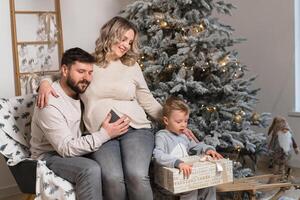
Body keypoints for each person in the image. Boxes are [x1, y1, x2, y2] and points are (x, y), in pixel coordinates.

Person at [37, 16, 164, 200]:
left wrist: (173, 122)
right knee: (112, 178)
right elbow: (62, 76)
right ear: (111, 34)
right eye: (123, 39)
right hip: (100, 134)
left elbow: (147, 100)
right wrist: (44, 83)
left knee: (136, 175)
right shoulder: (89, 64)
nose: (126, 45)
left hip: (135, 129)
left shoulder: (132, 66)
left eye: (130, 41)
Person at [30, 47, 130, 200]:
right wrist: (105, 134)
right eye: (81, 71)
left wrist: (44, 81)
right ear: (65, 70)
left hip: (75, 146)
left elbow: (51, 76)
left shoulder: (80, 90)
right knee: (90, 169)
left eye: (90, 73)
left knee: (113, 164)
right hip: (50, 155)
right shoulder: (49, 102)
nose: (87, 78)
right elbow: (66, 148)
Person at [153, 96, 223, 200]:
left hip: (187, 176)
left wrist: (208, 149)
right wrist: (178, 163)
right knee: (191, 189)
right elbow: (158, 155)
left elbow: (195, 147)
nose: (183, 125)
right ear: (166, 121)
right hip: (169, 180)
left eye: (185, 121)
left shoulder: (184, 136)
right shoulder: (162, 136)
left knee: (209, 185)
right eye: (179, 121)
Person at [268, 116, 299, 182]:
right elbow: (272, 143)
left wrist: (296, 148)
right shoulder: (276, 136)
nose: (285, 130)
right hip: (277, 154)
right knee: (276, 167)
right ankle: (273, 178)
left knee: (282, 167)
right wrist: (270, 149)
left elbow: (293, 141)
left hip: (284, 155)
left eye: (286, 129)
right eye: (283, 129)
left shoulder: (288, 135)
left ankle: (281, 178)